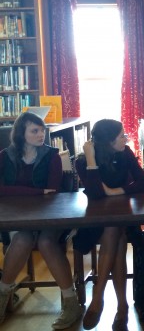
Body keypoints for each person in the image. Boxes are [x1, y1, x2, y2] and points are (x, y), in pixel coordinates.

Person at [0, 112, 82, 329]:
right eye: (34, 131)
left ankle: (71, 302)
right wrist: (35, 192)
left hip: (51, 216)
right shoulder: (4, 156)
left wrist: (19, 192)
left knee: (47, 242)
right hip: (20, 218)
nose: (40, 135)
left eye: (41, 130)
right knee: (22, 240)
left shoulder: (52, 156)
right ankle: (3, 295)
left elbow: (53, 191)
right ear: (21, 134)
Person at [73, 119, 144, 330]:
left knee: (115, 229)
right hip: (95, 223)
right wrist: (91, 160)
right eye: (122, 135)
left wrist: (118, 191)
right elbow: (96, 193)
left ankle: (98, 299)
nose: (126, 138)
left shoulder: (125, 154)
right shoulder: (82, 161)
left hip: (124, 219)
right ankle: (121, 307)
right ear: (108, 141)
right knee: (115, 234)